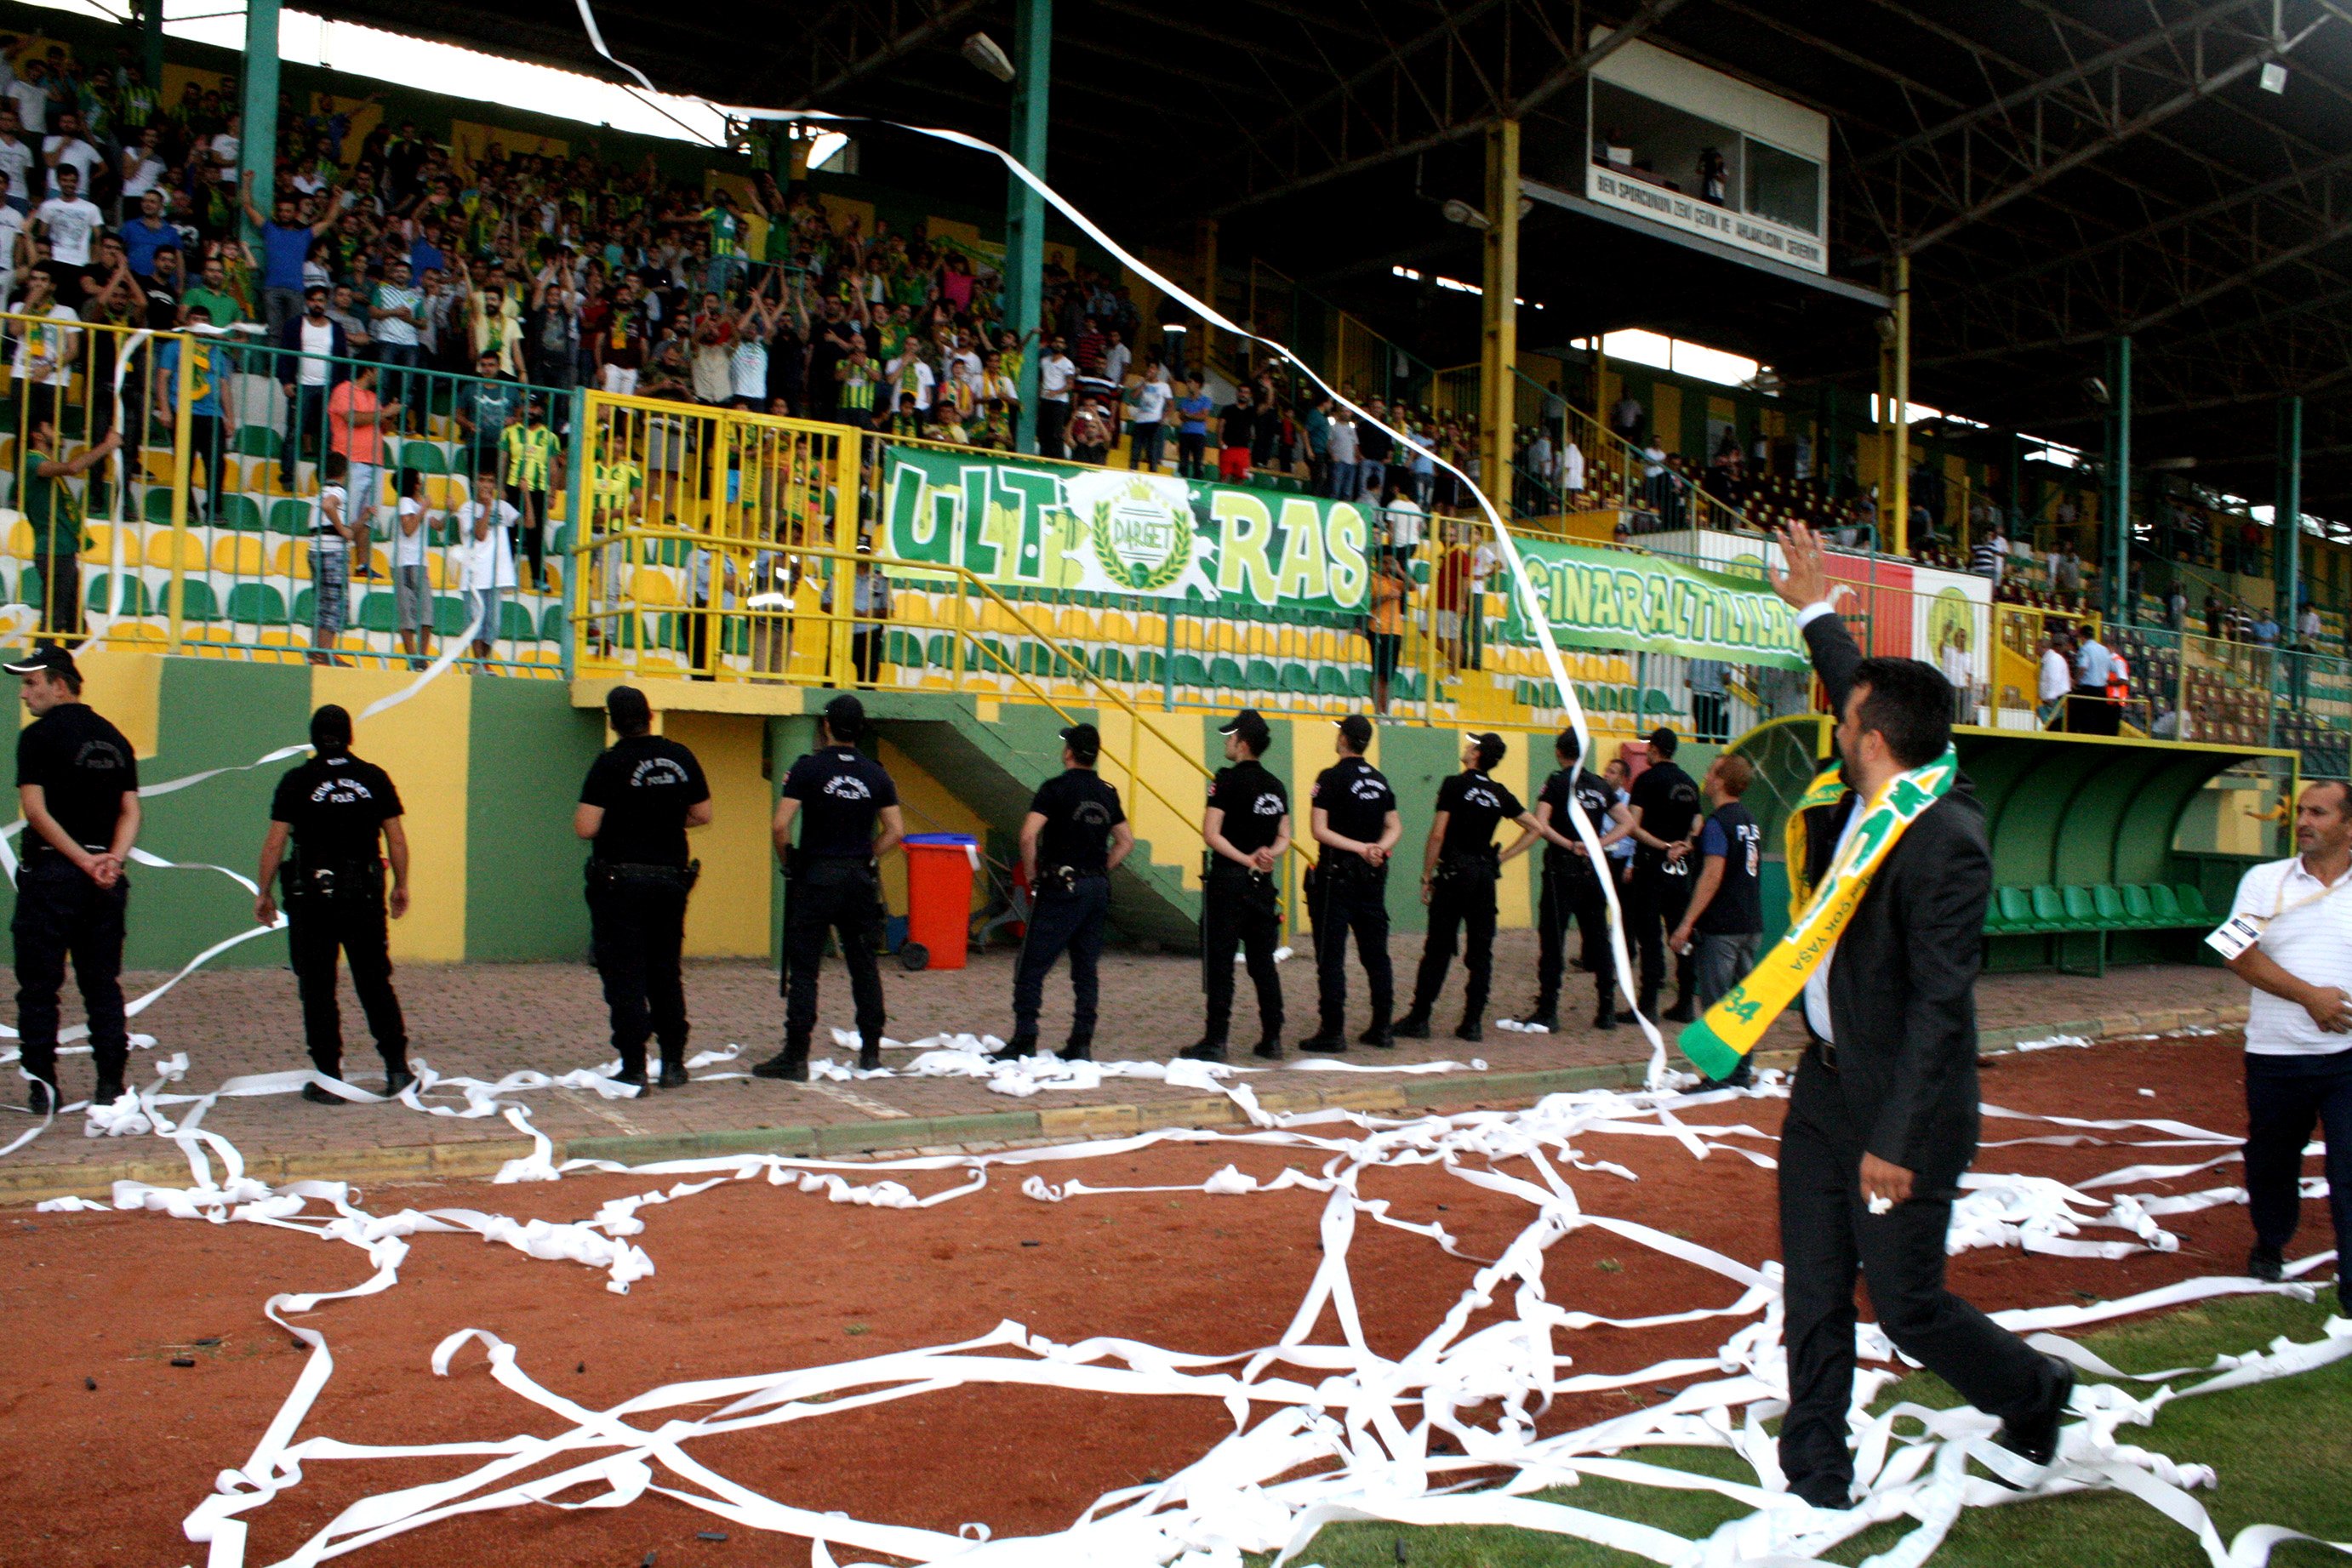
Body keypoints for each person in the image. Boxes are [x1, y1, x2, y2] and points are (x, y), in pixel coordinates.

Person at [1762, 519, 2074, 1509]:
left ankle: (2034, 1389)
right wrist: (1813, 609)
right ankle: (1816, 1467)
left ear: (1876, 740)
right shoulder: (1883, 767)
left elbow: (1942, 1006)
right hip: (1821, 1090)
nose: (1835, 721)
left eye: (1845, 716)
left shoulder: (1944, 836)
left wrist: (1894, 1138)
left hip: (1904, 1110)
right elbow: (1864, 679)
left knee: (1905, 1308)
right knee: (1812, 1291)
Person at [2217, 779, 2352, 1313]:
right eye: (2302, 811)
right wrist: (2309, 997)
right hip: (2275, 1055)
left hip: (2348, 1059)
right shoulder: (2264, 880)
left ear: (2348, 824)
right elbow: (2233, 952)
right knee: (2272, 1161)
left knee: (2349, 1166)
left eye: (2319, 813)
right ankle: (2271, 1241)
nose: (2303, 821)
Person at [253, 704, 413, 1103]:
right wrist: (401, 886)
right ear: (350, 736)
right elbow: (395, 839)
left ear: (312, 738)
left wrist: (264, 892)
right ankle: (396, 1069)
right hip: (363, 898)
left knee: (318, 988)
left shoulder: (296, 780)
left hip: (313, 901)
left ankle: (328, 1078)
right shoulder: (374, 778)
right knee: (374, 982)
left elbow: (275, 842)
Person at [8, 647, 138, 1114]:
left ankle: (43, 1087)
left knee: (40, 987)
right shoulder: (114, 737)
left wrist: (84, 861)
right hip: (104, 880)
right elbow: (131, 810)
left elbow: (36, 813)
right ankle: (111, 1085)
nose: (24, 694)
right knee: (102, 984)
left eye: (31, 683)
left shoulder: (38, 738)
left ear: (60, 684)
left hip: (54, 876)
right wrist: (112, 860)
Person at [758, 694, 903, 1080]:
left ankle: (796, 1054)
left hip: (817, 875)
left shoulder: (808, 768)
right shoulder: (876, 773)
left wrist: (788, 859)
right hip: (857, 877)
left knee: (805, 969)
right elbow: (896, 831)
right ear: (860, 729)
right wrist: (868, 855)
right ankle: (871, 1051)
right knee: (864, 966)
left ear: (825, 727)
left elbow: (779, 825)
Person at [574, 686, 711, 1091]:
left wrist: (627, 821)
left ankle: (634, 1063)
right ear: (649, 715)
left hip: (621, 883)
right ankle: (674, 1063)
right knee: (665, 971)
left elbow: (586, 827)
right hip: (670, 879)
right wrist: (662, 821)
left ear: (614, 721)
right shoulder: (681, 756)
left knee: (625, 974)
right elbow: (702, 813)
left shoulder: (610, 762)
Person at [998, 722, 1133, 1062]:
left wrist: (1031, 876)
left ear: (1069, 752)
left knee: (1031, 966)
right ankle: (1081, 1042)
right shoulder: (1107, 791)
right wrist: (1101, 870)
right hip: (1096, 889)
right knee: (1085, 969)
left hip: (1061, 888)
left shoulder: (1054, 789)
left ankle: (1024, 1038)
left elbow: (1028, 836)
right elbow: (1125, 841)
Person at [1394, 733, 1540, 1043]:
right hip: (1484, 876)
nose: (1466, 746)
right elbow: (1536, 828)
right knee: (1481, 951)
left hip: (1454, 874)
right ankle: (1472, 1023)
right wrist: (1501, 857)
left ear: (1476, 754)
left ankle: (1420, 1018)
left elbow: (1437, 835)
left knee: (1439, 948)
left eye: (1471, 744)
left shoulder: (1454, 784)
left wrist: (1426, 875)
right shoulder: (1499, 792)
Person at [1185, 708, 1291, 1062]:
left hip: (1230, 882)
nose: (1227, 743)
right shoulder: (1276, 785)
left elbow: (1211, 833)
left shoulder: (1226, 780)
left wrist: (1245, 859)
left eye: (1230, 737)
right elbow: (1284, 837)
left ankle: (1216, 1041)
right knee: (1263, 964)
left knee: (1221, 963)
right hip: (1263, 885)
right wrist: (1265, 856)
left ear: (1243, 744)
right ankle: (1272, 1039)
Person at [1512, 727, 1629, 1034]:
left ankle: (1548, 1009)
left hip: (1561, 871)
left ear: (1559, 752)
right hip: (1592, 870)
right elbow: (1627, 822)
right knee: (1598, 939)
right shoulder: (1599, 784)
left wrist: (1568, 844)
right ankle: (1607, 1010)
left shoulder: (1557, 781)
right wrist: (1597, 845)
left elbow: (1540, 823)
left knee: (1553, 940)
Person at [1299, 714, 1401, 1053]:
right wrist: (1377, 850)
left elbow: (1320, 830)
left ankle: (1333, 1031)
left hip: (1337, 878)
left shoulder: (1329, 778)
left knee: (1331, 957)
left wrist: (1360, 849)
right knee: (1377, 956)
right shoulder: (1380, 779)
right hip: (1372, 878)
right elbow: (1394, 826)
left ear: (1344, 740)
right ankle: (1382, 1027)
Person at [1667, 755, 1765, 1086]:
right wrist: (1695, 847)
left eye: (1711, 771)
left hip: (1722, 926)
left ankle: (1719, 1075)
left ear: (1721, 781)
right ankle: (1740, 1070)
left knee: (1718, 1004)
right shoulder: (1747, 819)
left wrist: (1686, 923)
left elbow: (1713, 874)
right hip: (1750, 922)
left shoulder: (1717, 823)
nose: (1706, 776)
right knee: (1741, 1004)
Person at [1624, 726, 1704, 1022]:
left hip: (1653, 867)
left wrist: (1664, 845)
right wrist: (1686, 845)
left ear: (1655, 750)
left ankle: (1648, 1005)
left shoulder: (1646, 780)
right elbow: (1698, 821)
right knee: (1681, 933)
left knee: (1650, 936)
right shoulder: (1689, 783)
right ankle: (1685, 1001)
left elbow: (1633, 826)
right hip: (1681, 869)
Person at [20, 416, 117, 646]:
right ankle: (38, 671)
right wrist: (107, 446)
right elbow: (73, 467)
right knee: (54, 619)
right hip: (53, 551)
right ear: (37, 435)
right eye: (50, 427)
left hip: (62, 550)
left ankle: (73, 669)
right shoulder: (33, 461)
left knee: (74, 622)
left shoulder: (40, 463)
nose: (59, 432)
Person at [500, 395, 562, 590]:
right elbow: (502, 461)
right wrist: (500, 487)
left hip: (538, 491)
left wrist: (552, 494)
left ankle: (538, 578)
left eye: (534, 407)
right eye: (526, 406)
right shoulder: (509, 432)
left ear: (541, 410)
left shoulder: (550, 437)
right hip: (513, 488)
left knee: (536, 535)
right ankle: (506, 579)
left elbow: (554, 468)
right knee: (509, 533)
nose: (530, 410)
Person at [1367, 550, 1409, 716]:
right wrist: (1386, 597)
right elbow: (1366, 604)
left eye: (1390, 563)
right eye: (1384, 562)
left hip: (1395, 631)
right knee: (1378, 672)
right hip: (1378, 629)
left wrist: (1399, 571)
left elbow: (1412, 586)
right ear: (1377, 562)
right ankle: (1379, 711)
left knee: (1388, 675)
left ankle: (1386, 711)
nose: (1387, 566)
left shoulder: (1393, 581)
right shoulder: (1372, 580)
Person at [2070, 620, 2119, 735]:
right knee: (2098, 722)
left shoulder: (2085, 649)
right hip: (2102, 691)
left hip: (2088, 690)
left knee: (2087, 722)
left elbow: (2083, 667)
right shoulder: (2103, 649)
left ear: (2082, 637)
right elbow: (2114, 668)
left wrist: (2075, 682)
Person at [2037, 627, 2072, 729]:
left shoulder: (2053, 659)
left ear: (2043, 647)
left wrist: (2050, 698)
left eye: (2037, 647)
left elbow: (2054, 679)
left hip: (2056, 700)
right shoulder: (2050, 659)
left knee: (2055, 727)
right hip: (2054, 700)